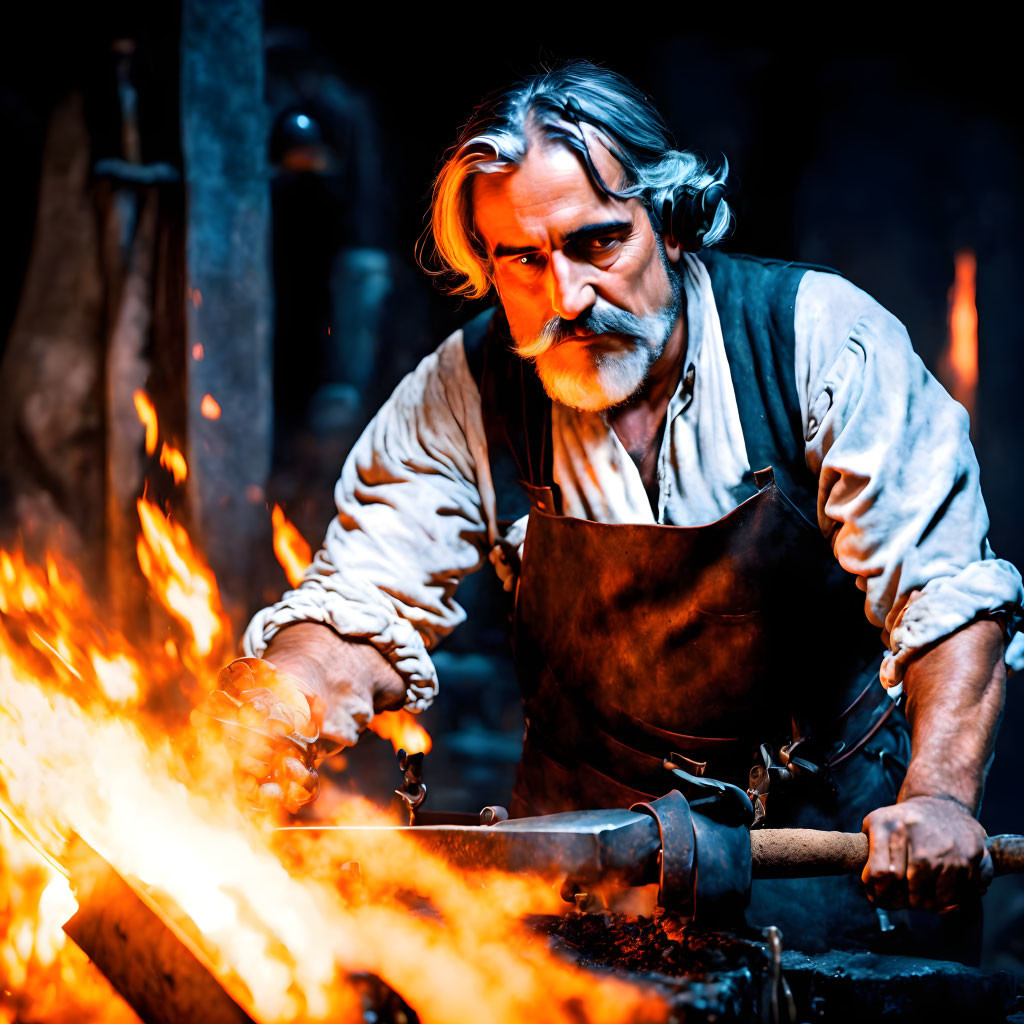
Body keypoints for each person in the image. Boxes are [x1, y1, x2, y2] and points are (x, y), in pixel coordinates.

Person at [214, 62, 1022, 952]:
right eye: (523, 259)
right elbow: (363, 607)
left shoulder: (819, 338)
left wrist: (941, 796)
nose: (566, 298)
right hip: (592, 883)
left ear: (669, 226)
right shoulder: (468, 391)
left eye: (598, 243)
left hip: (832, 860)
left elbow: (946, 594)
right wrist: (273, 710)